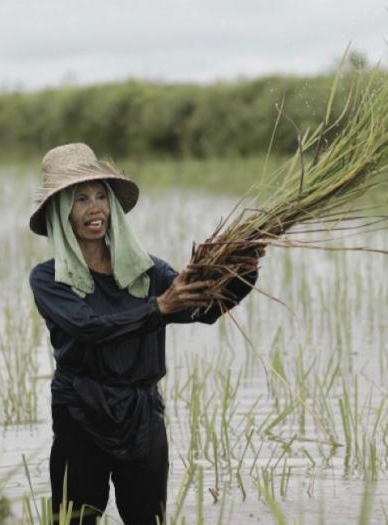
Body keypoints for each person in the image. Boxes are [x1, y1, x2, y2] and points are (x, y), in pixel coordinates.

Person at [28, 143, 260, 524]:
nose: (95, 208)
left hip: (142, 415)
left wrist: (243, 269)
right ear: (60, 213)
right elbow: (89, 328)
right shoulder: (49, 279)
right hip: (80, 411)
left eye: (101, 196)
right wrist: (158, 308)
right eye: (80, 199)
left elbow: (203, 310)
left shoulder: (148, 271)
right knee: (74, 518)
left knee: (148, 519)